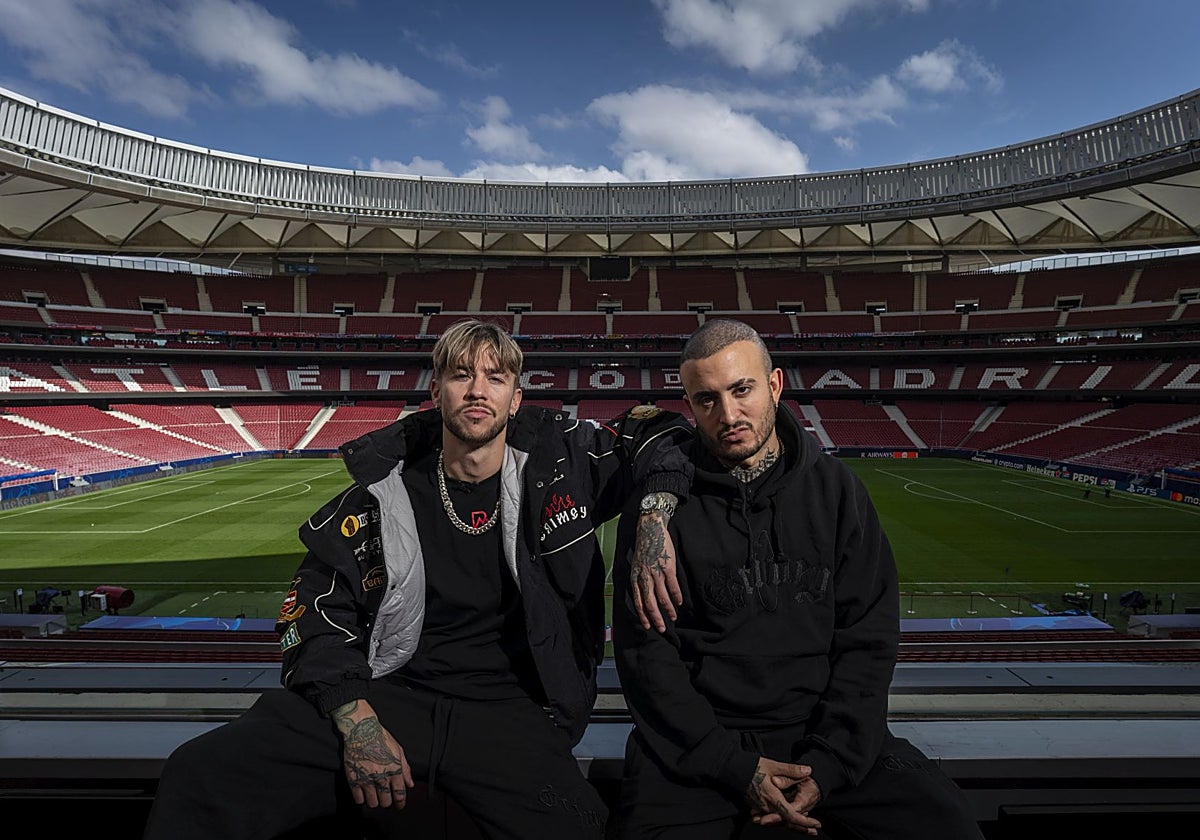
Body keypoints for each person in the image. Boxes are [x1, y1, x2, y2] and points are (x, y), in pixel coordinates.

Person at [143, 319, 693, 840]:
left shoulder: (565, 467)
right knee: (200, 771)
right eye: (461, 375)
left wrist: (653, 514)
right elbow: (311, 610)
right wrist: (356, 719)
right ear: (436, 391)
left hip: (513, 714)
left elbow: (662, 430)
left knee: (583, 828)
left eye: (495, 378)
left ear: (516, 399)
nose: (478, 390)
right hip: (393, 697)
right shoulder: (380, 493)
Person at [613, 319, 983, 839]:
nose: (728, 415)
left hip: (823, 734)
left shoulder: (838, 492)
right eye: (706, 400)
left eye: (741, 389)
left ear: (775, 384)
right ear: (690, 405)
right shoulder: (658, 513)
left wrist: (828, 766)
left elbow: (869, 641)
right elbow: (646, 659)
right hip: (700, 747)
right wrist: (733, 766)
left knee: (950, 827)